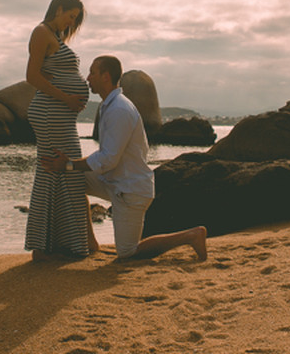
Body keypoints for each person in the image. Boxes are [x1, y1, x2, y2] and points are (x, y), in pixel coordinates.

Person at [44, 55, 207, 262]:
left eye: (92, 73)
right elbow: (108, 160)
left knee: (128, 253)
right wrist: (70, 167)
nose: (87, 78)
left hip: (131, 191)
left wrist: (68, 164)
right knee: (72, 178)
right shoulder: (109, 106)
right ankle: (90, 242)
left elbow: (107, 160)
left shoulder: (119, 109)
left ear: (105, 77)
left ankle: (191, 236)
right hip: (114, 182)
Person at [24, 0, 93, 260]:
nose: (70, 23)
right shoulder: (41, 32)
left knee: (60, 171)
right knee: (59, 170)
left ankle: (56, 244)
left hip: (59, 113)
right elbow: (31, 76)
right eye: (70, 16)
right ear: (59, 8)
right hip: (50, 113)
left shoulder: (55, 37)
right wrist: (67, 97)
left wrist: (71, 97)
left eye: (75, 20)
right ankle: (47, 247)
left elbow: (49, 71)